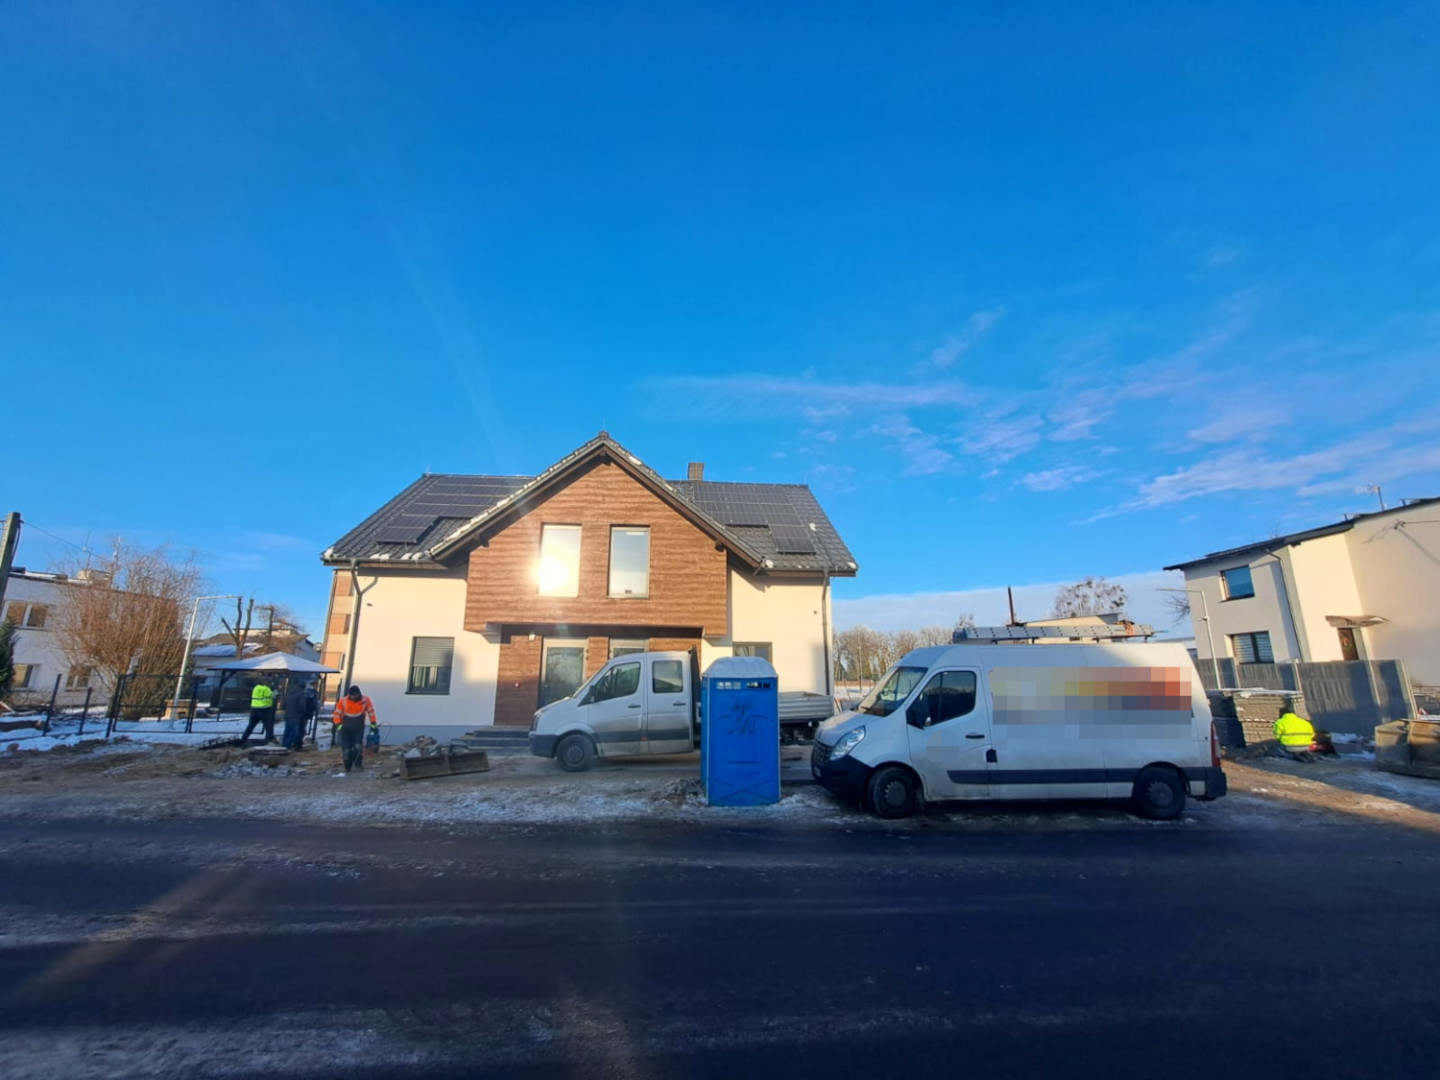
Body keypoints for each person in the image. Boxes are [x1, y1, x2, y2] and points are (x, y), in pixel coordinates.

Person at [332, 685, 378, 774]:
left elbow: (371, 712)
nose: (353, 697)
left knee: (358, 747)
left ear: (358, 694)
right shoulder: (343, 701)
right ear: (349, 694)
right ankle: (347, 767)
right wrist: (338, 725)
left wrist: (373, 723)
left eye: (355, 695)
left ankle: (358, 765)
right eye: (352, 695)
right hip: (346, 728)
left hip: (359, 728)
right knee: (346, 749)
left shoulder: (365, 700)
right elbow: (337, 714)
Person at [242, 679, 277, 744]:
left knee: (251, 725)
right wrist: (275, 691)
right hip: (264, 709)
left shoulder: (255, 688)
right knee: (268, 725)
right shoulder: (266, 689)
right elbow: (273, 696)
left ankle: (244, 737)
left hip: (254, 709)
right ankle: (269, 738)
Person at [281, 680, 308, 751]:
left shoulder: (289, 693)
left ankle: (284, 744)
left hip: (287, 714)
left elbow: (283, 705)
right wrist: (301, 713)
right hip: (295, 715)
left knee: (287, 731)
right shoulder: (301, 694)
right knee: (293, 732)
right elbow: (302, 706)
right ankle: (288, 745)